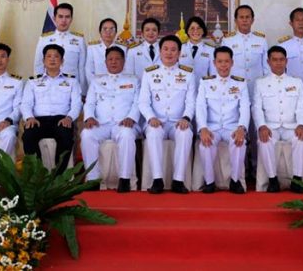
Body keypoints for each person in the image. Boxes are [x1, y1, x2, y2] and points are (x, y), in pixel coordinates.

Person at [139, 35, 196, 194]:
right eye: (165, 49)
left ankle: (178, 180)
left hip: (178, 121)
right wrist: (151, 117)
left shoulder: (188, 73)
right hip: (157, 121)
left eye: (173, 50)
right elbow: (143, 102)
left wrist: (186, 118)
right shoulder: (149, 73)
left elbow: (191, 102)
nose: (169, 53)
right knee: (153, 133)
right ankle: (157, 180)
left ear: (179, 53)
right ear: (160, 51)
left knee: (185, 134)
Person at [81, 45, 140, 193]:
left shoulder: (134, 80)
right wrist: (89, 117)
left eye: (117, 59)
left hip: (123, 123)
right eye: (110, 59)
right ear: (105, 62)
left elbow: (138, 103)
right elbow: (90, 103)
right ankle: (93, 179)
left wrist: (131, 118)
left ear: (124, 61)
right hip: (101, 124)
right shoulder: (96, 81)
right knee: (86, 134)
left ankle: (124, 179)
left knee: (127, 135)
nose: (114, 62)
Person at [252, 46, 303, 193]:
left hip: (291, 126)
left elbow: (302, 107)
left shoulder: (296, 82)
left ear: (286, 61)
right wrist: (261, 126)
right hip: (271, 126)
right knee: (264, 141)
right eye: (274, 60)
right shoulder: (260, 82)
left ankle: (297, 180)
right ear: (268, 62)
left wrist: (302, 124)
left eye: (281, 59)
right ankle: (272, 180)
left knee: (302, 140)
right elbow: (256, 108)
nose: (278, 63)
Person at [196, 46, 249, 194]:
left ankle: (235, 181)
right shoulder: (205, 82)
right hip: (212, 127)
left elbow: (245, 107)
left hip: (232, 126)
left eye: (226, 61)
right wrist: (203, 128)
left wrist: (241, 128)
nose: (223, 65)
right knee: (205, 145)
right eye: (220, 61)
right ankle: (209, 182)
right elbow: (200, 106)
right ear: (214, 63)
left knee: (239, 143)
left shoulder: (240, 83)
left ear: (232, 62)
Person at [21, 44, 82, 171]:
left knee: (66, 137)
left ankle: (59, 175)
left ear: (62, 61)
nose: (52, 59)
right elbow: (26, 104)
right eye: (49, 56)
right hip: (38, 120)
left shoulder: (72, 81)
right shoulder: (33, 82)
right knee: (28, 136)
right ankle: (38, 173)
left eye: (56, 56)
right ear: (43, 61)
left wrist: (69, 118)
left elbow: (77, 104)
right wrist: (29, 117)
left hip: (62, 120)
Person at [34, 3, 87, 95]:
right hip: (49, 88)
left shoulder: (79, 40)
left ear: (71, 19)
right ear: (54, 18)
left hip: (72, 88)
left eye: (67, 17)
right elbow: (38, 65)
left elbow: (82, 68)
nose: (64, 20)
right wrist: (38, 87)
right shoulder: (44, 39)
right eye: (60, 16)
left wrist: (83, 92)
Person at [220, 4, 269, 96]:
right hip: (234, 88)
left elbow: (267, 67)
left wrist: (267, 86)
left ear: (252, 20)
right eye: (241, 17)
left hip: (257, 87)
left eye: (247, 17)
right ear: (236, 20)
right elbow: (223, 66)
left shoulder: (261, 40)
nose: (244, 20)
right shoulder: (227, 41)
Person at [181, 16, 216, 84]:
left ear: (203, 31)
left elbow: (213, 74)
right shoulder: (180, 48)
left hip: (203, 88)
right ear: (187, 31)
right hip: (184, 88)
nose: (196, 31)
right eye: (192, 28)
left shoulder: (211, 50)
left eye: (199, 28)